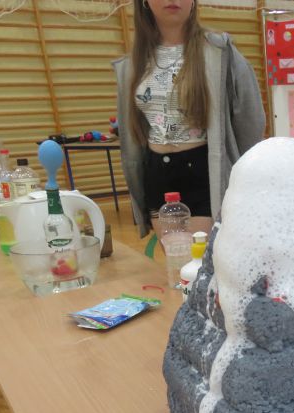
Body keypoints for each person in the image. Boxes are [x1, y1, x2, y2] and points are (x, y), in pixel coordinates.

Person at [114, 0, 265, 238]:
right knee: (174, 257)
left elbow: (250, 120)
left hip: (203, 172)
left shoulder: (218, 52)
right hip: (157, 173)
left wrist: (243, 176)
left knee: (200, 256)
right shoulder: (134, 62)